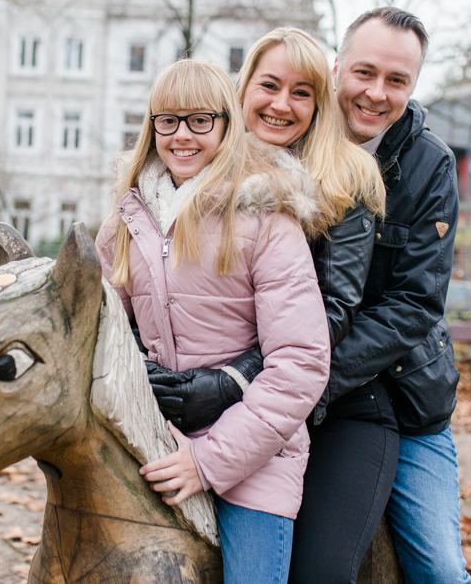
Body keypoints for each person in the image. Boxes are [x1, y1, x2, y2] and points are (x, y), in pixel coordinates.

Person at [151, 10, 470, 583]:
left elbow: (407, 306)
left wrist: (239, 380)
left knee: (438, 568)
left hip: (385, 391)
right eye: (365, 73)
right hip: (269, 390)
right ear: (337, 69)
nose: (376, 93)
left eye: (396, 81)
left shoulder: (414, 168)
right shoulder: (231, 156)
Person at [94, 58, 332, 584]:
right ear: (150, 126)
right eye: (168, 120)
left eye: (200, 120)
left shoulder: (267, 220)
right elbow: (103, 332)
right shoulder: (124, 225)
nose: (182, 136)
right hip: (151, 436)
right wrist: (137, 373)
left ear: (227, 125)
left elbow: (301, 362)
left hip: (253, 457)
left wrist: (207, 462)